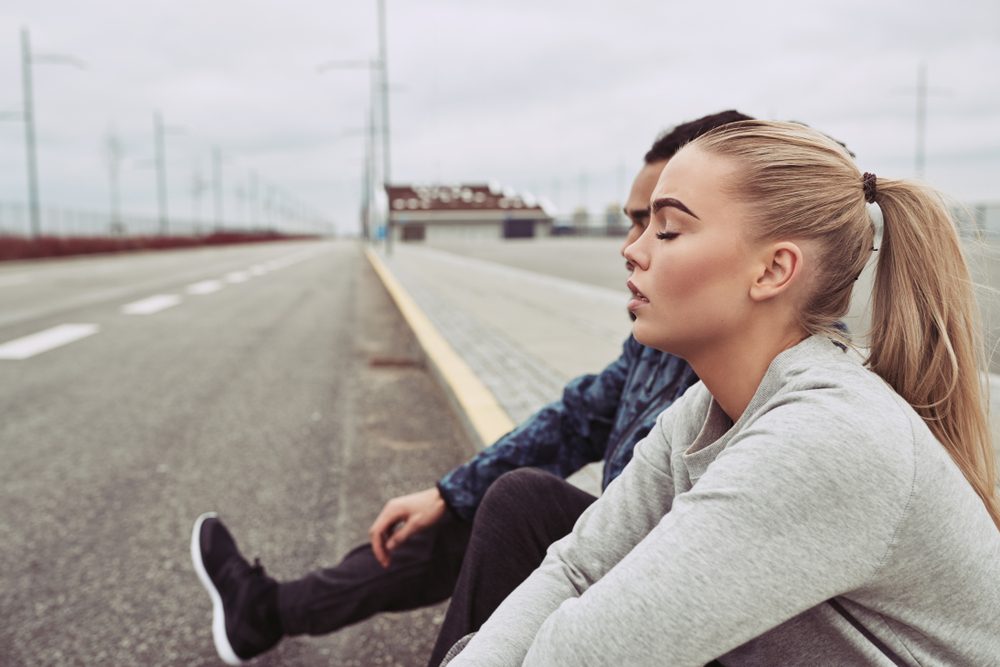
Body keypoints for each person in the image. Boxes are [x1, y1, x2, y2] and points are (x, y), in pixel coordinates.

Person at [190, 110, 754, 665]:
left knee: (521, 503)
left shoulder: (779, 392)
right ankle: (265, 611)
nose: (629, 246)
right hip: (626, 550)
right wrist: (448, 493)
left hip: (676, 598)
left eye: (664, 227)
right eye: (636, 221)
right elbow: (577, 418)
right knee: (477, 510)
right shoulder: (662, 342)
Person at [440, 120, 1000, 666]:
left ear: (773, 270)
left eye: (667, 230)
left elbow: (591, 651)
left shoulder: (826, 437)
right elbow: (578, 569)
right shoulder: (705, 409)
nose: (632, 250)